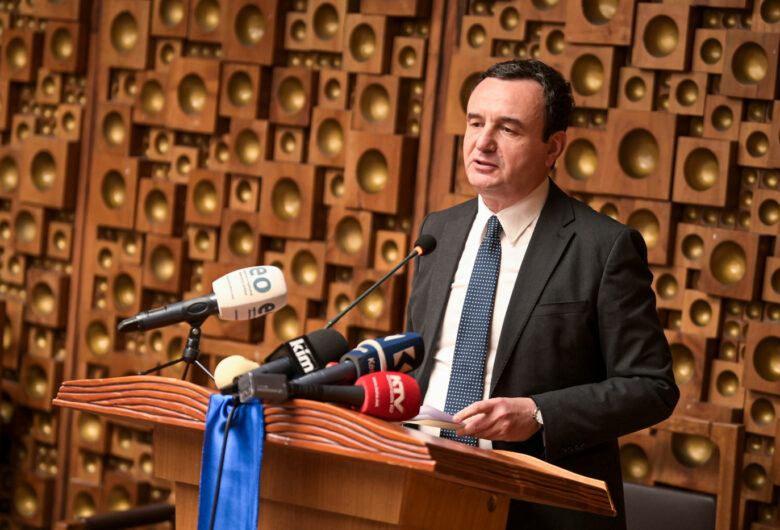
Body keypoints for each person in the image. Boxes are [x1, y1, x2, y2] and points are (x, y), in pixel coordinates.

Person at [405, 59, 679, 529]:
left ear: (553, 147)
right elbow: (420, 357)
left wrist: (539, 413)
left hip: (538, 508)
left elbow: (652, 387)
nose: (482, 142)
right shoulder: (439, 231)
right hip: (423, 489)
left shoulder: (603, 247)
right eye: (475, 122)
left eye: (507, 128)